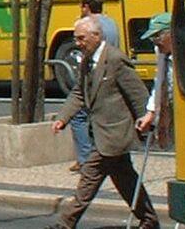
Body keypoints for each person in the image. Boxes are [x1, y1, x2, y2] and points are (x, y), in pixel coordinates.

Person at [47, 16, 159, 229]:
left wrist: (147, 121)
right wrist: (63, 118)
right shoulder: (87, 61)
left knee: (89, 179)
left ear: (96, 36)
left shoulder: (115, 59)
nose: (78, 43)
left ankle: (64, 224)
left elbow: (137, 93)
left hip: (114, 133)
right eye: (76, 38)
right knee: (126, 181)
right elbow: (79, 92)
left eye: (81, 38)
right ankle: (149, 220)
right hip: (101, 133)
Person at [68, 0, 121, 172]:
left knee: (79, 117)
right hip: (111, 76)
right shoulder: (112, 23)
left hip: (96, 78)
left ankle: (85, 159)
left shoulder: (91, 26)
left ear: (86, 7)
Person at [135, 12, 174, 149]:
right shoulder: (161, 51)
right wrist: (150, 113)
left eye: (157, 36)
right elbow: (159, 82)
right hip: (171, 112)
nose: (155, 42)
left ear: (173, 33)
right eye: (152, 38)